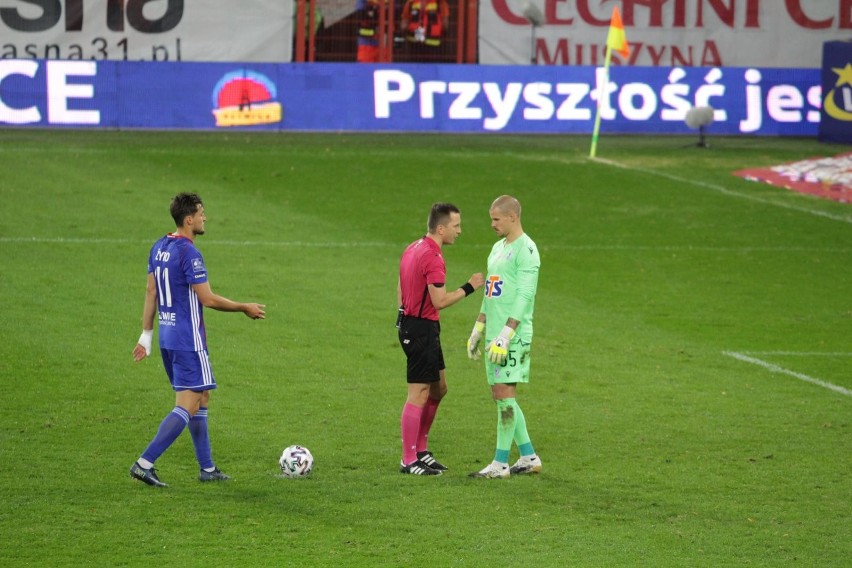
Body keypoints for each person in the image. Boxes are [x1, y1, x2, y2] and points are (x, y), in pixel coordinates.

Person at [130, 193, 265, 487]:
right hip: (188, 339)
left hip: (167, 337)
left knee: (202, 397)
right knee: (189, 404)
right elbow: (208, 299)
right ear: (188, 219)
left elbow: (151, 291)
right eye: (202, 213)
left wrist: (146, 335)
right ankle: (144, 463)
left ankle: (207, 469)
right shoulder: (189, 253)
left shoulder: (159, 246)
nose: (205, 218)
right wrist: (244, 307)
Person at [397, 203, 484, 475]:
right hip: (420, 328)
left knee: (439, 389)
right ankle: (409, 459)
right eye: (456, 226)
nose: (459, 231)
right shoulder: (433, 257)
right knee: (419, 392)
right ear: (441, 227)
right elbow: (440, 301)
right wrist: (470, 287)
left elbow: (400, 284)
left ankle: (421, 450)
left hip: (416, 325)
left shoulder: (414, 247)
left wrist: (404, 312)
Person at [466, 195, 542, 478]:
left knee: (504, 395)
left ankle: (500, 464)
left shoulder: (527, 250)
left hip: (513, 336)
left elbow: (524, 295)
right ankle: (528, 457)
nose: (492, 224)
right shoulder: (498, 248)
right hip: (495, 335)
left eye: (497, 219)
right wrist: (479, 328)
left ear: (513, 217)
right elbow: (490, 291)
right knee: (501, 397)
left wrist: (507, 334)